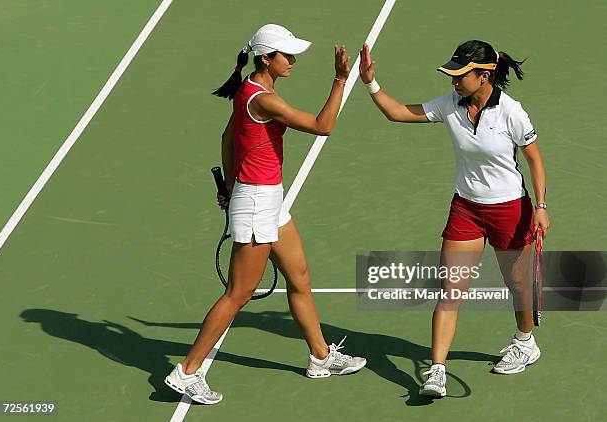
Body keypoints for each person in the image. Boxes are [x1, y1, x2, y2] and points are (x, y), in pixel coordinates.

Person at [165, 24, 366, 405]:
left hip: (268, 199)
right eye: (286, 55)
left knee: (300, 276)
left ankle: (321, 357)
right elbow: (322, 126)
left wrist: (228, 186)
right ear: (265, 58)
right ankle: (186, 372)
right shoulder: (264, 100)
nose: (292, 61)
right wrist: (340, 80)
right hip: (257, 202)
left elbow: (228, 139)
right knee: (239, 293)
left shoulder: (249, 91)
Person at [358, 40, 549, 397]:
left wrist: (540, 207)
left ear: (484, 75)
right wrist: (370, 82)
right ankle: (437, 370)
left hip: (510, 209)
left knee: (518, 285)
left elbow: (535, 160)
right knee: (451, 289)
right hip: (466, 209)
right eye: (453, 74)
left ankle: (525, 341)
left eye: (461, 75)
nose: (454, 82)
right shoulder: (450, 105)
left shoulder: (511, 111)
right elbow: (398, 112)